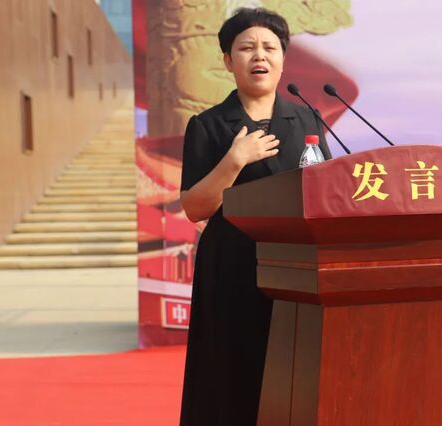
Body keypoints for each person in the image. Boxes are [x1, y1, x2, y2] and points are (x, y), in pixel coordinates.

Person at [178, 8, 332, 426]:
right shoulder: (208, 125)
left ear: (282, 58)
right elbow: (195, 208)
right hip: (233, 266)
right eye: (246, 48)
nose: (259, 55)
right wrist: (234, 160)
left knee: (295, 369)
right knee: (235, 370)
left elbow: (326, 190)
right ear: (228, 61)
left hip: (298, 265)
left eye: (269, 47)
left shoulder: (307, 118)